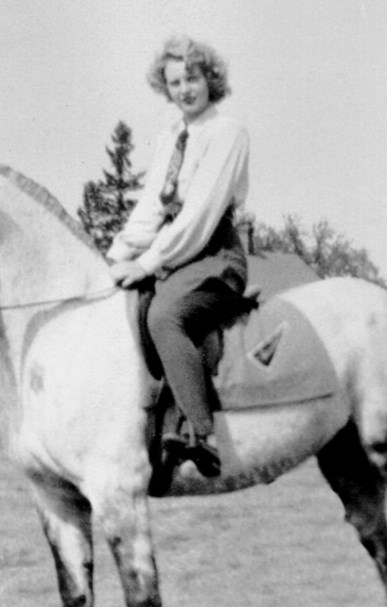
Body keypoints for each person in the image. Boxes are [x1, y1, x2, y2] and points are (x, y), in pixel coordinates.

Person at [107, 35, 250, 478]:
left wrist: (148, 263)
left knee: (165, 314)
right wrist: (118, 255)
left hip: (213, 254)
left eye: (192, 77)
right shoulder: (172, 136)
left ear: (211, 79)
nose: (184, 89)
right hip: (175, 254)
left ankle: (199, 433)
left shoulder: (227, 133)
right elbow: (152, 204)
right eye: (174, 82)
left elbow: (199, 217)